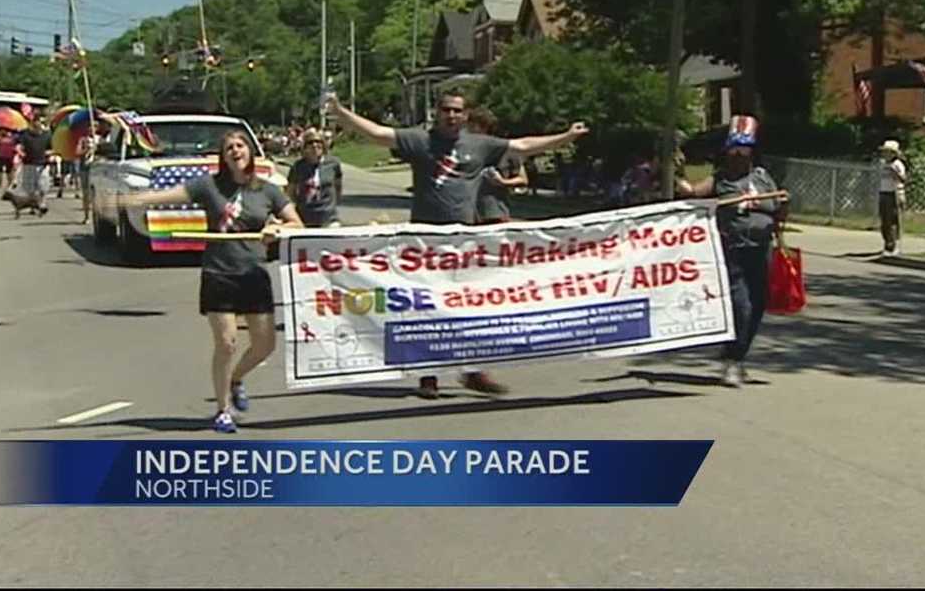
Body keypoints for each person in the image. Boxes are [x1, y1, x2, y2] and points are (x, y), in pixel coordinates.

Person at [325, 89, 590, 399]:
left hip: (464, 243)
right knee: (425, 308)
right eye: (446, 110)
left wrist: (566, 136)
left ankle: (473, 370)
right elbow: (380, 134)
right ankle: (428, 376)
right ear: (437, 112)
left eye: (458, 111)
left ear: (465, 116)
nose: (452, 116)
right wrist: (342, 112)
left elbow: (522, 146)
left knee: (467, 305)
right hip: (424, 243)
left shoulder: (478, 145)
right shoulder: (421, 141)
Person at [117, 130, 304, 433]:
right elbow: (170, 195)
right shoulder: (209, 186)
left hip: (254, 274)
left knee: (265, 344)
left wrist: (278, 228)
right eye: (229, 147)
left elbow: (297, 224)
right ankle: (223, 410)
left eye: (240, 145)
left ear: (250, 152)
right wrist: (134, 198)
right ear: (223, 156)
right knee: (226, 342)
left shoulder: (268, 191)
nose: (235, 151)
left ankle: (237, 378)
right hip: (219, 273)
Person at [676, 114, 789, 388]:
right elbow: (692, 192)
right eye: (735, 149)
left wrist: (783, 205)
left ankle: (738, 356)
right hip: (733, 249)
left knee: (759, 304)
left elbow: (778, 209)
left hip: (761, 248)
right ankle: (732, 360)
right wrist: (675, 173)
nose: (739, 155)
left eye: (744, 149)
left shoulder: (762, 178)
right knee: (742, 306)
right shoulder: (720, 180)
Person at [467, 106, 528, 224]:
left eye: (472, 126)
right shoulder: (465, 149)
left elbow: (523, 179)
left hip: (495, 213)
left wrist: (502, 182)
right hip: (468, 214)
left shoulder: (504, 149)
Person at [287, 129, 344, 227]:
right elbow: (290, 191)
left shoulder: (333, 164)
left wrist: (333, 203)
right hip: (305, 217)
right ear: (304, 147)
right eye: (310, 142)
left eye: (318, 142)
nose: (314, 145)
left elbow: (338, 186)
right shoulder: (298, 166)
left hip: (328, 217)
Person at [878, 139, 908, 256]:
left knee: (893, 221)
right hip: (884, 192)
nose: (885, 154)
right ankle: (887, 243)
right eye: (885, 152)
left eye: (888, 152)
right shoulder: (883, 164)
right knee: (884, 221)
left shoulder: (897, 164)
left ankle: (893, 246)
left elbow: (903, 179)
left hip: (894, 193)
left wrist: (894, 172)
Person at [17, 116, 52, 214]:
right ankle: (33, 206)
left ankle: (42, 204)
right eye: (36, 122)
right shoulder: (25, 135)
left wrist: (50, 154)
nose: (38, 124)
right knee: (30, 188)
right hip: (29, 163)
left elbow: (51, 148)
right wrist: (20, 152)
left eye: (40, 122)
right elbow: (20, 146)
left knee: (43, 186)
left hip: (43, 164)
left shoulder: (47, 135)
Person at [0, 127, 18, 192]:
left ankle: (10, 184)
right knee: (0, 171)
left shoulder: (13, 137)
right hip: (0, 156)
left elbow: (15, 145)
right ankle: (0, 185)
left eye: (4, 130)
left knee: (9, 172)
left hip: (9, 156)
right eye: (1, 130)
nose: (3, 131)